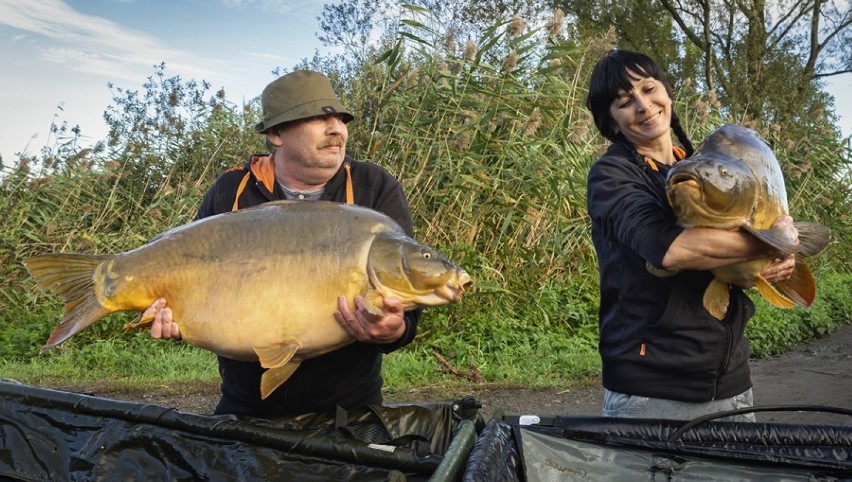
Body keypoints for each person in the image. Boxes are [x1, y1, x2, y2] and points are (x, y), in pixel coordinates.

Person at [144, 70, 421, 418]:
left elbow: (407, 303)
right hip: (244, 403)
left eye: (339, 118)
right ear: (276, 133)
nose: (336, 128)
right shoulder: (232, 189)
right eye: (320, 118)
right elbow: (186, 274)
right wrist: (173, 314)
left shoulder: (374, 187)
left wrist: (394, 331)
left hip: (350, 407)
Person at [584, 50, 798, 422]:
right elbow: (669, 251)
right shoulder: (612, 175)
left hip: (730, 382)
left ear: (667, 92)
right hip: (651, 390)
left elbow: (728, 250)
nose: (643, 105)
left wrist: (772, 260)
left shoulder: (702, 164)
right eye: (624, 101)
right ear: (612, 122)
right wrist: (772, 240)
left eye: (649, 89)